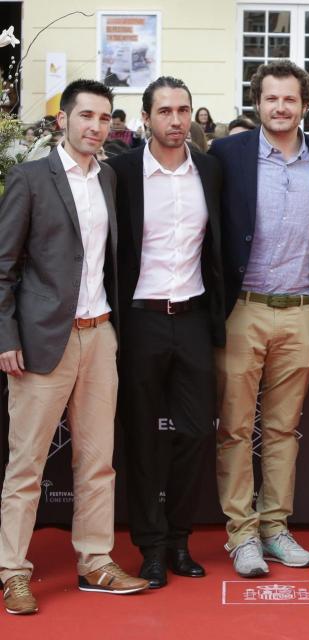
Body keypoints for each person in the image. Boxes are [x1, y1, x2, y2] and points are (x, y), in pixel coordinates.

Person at [0, 79, 149, 616]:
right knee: (26, 465)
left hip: (99, 333)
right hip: (43, 341)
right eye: (86, 115)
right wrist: (6, 337)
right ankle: (13, 571)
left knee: (96, 461)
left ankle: (95, 560)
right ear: (63, 120)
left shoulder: (108, 177)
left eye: (105, 117)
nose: (96, 126)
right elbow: (3, 268)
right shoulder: (30, 178)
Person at [209, 60, 309, 578]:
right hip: (243, 307)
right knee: (236, 429)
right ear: (257, 102)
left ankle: (276, 527)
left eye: (290, 100)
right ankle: (240, 535)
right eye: (271, 99)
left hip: (303, 310)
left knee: (284, 429)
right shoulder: (227, 154)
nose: (280, 108)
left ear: (304, 105)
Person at [106, 76, 225, 589]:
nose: (176, 120)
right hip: (140, 318)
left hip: (195, 315)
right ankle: (150, 547)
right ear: (146, 118)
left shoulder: (212, 171)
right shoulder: (123, 173)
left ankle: (179, 538)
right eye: (165, 111)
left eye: (183, 110)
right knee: (141, 439)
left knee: (197, 433)